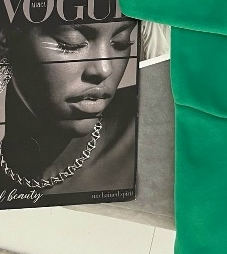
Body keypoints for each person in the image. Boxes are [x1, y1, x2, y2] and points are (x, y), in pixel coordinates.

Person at [0, 18, 137, 202]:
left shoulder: (149, 125)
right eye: (72, 43)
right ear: (5, 37)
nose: (104, 69)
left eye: (121, 42)